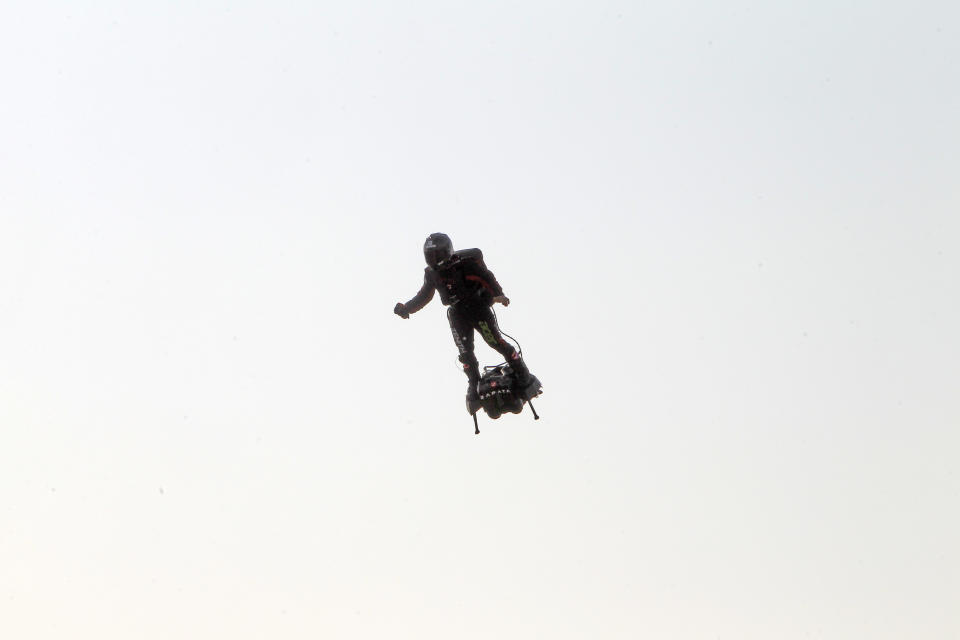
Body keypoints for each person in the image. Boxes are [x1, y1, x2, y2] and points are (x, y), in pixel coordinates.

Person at [394, 233, 532, 411]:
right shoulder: (431, 274)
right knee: (465, 352)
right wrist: (407, 308)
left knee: (494, 342)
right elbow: (424, 295)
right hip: (457, 313)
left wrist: (499, 294)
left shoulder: (464, 264)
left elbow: (486, 277)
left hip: (478, 308)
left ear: (448, 252)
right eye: (430, 256)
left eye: (438, 255)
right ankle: (473, 382)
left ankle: (521, 370)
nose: (434, 260)